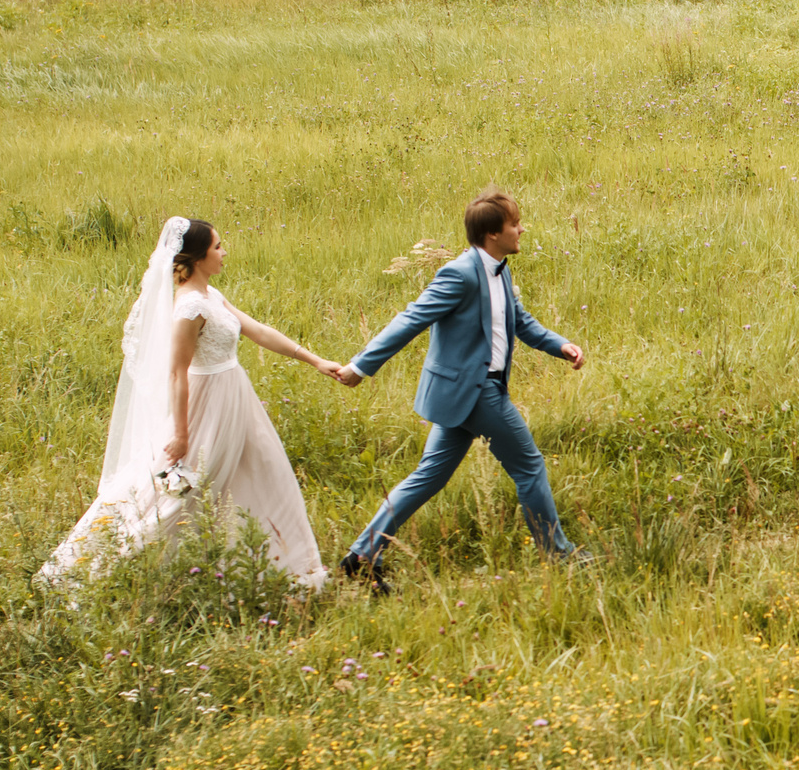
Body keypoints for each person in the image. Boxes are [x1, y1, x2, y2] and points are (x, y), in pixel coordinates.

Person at [40, 216, 343, 588]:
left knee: (265, 471)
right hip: (208, 404)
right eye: (218, 246)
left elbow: (259, 331)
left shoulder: (210, 296)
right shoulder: (189, 308)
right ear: (198, 257)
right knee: (185, 491)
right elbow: (177, 372)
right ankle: (100, 565)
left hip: (237, 398)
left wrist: (315, 361)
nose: (224, 252)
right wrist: (181, 435)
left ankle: (287, 569)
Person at [336, 186, 585, 590]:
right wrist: (361, 366)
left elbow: (520, 321)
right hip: (478, 392)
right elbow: (411, 319)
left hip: (464, 395)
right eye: (515, 224)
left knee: (428, 476)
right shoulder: (460, 273)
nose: (522, 229)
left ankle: (361, 556)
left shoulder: (500, 269)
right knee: (530, 467)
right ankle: (558, 555)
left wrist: (560, 345)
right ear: (493, 234)